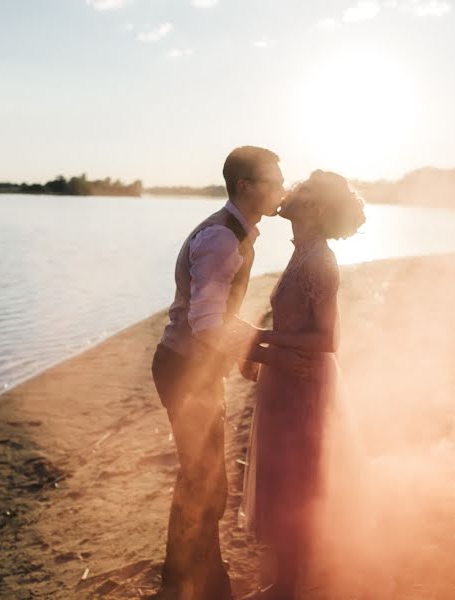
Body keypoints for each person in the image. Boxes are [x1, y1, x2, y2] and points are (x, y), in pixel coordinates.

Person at [151, 146, 310, 600]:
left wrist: (255, 344)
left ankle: (194, 581)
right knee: (205, 484)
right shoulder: (222, 239)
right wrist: (266, 353)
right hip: (184, 370)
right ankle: (190, 585)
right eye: (273, 182)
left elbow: (215, 317)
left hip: (193, 369)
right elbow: (205, 324)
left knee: (202, 482)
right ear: (245, 186)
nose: (280, 189)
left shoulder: (235, 233)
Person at [240, 170, 366, 599]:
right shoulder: (303, 252)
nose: (290, 191)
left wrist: (260, 339)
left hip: (302, 387)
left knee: (297, 483)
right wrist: (256, 346)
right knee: (282, 481)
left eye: (303, 190)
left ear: (312, 208)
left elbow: (328, 339)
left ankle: (289, 590)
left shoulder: (319, 262)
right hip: (283, 379)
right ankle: (283, 584)